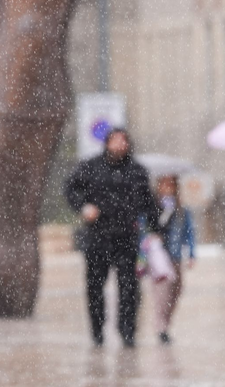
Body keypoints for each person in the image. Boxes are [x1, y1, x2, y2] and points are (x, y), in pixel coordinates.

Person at [64, 128, 159, 347]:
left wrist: (155, 231)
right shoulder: (90, 167)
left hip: (126, 238)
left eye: (123, 140)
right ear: (107, 143)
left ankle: (127, 331)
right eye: (115, 140)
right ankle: (97, 331)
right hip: (98, 237)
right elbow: (70, 189)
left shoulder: (137, 171)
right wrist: (83, 207)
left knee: (129, 288)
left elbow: (149, 203)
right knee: (95, 287)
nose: (119, 144)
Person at [151, 175, 195, 344]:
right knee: (162, 294)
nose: (167, 188)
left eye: (170, 184)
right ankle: (161, 327)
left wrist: (191, 254)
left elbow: (189, 232)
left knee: (176, 291)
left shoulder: (181, 210)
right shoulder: (153, 207)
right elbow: (145, 228)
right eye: (164, 183)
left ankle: (166, 323)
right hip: (159, 257)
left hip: (176, 255)